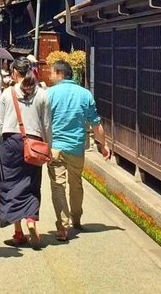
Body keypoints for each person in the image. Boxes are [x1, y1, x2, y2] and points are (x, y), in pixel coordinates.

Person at [46, 59, 112, 241]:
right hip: (76, 147)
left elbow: (42, 121)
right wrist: (103, 144)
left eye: (51, 73)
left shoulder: (49, 94)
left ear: (59, 74)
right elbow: (95, 123)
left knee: (58, 186)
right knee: (76, 184)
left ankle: (62, 226)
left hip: (55, 147)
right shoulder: (85, 94)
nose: (49, 76)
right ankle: (76, 218)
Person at [0, 58, 51, 245]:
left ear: (15, 73)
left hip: (10, 143)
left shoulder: (8, 93)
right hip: (34, 144)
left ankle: (18, 232)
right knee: (31, 184)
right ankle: (31, 220)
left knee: (10, 185)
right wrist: (49, 145)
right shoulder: (42, 94)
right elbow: (47, 124)